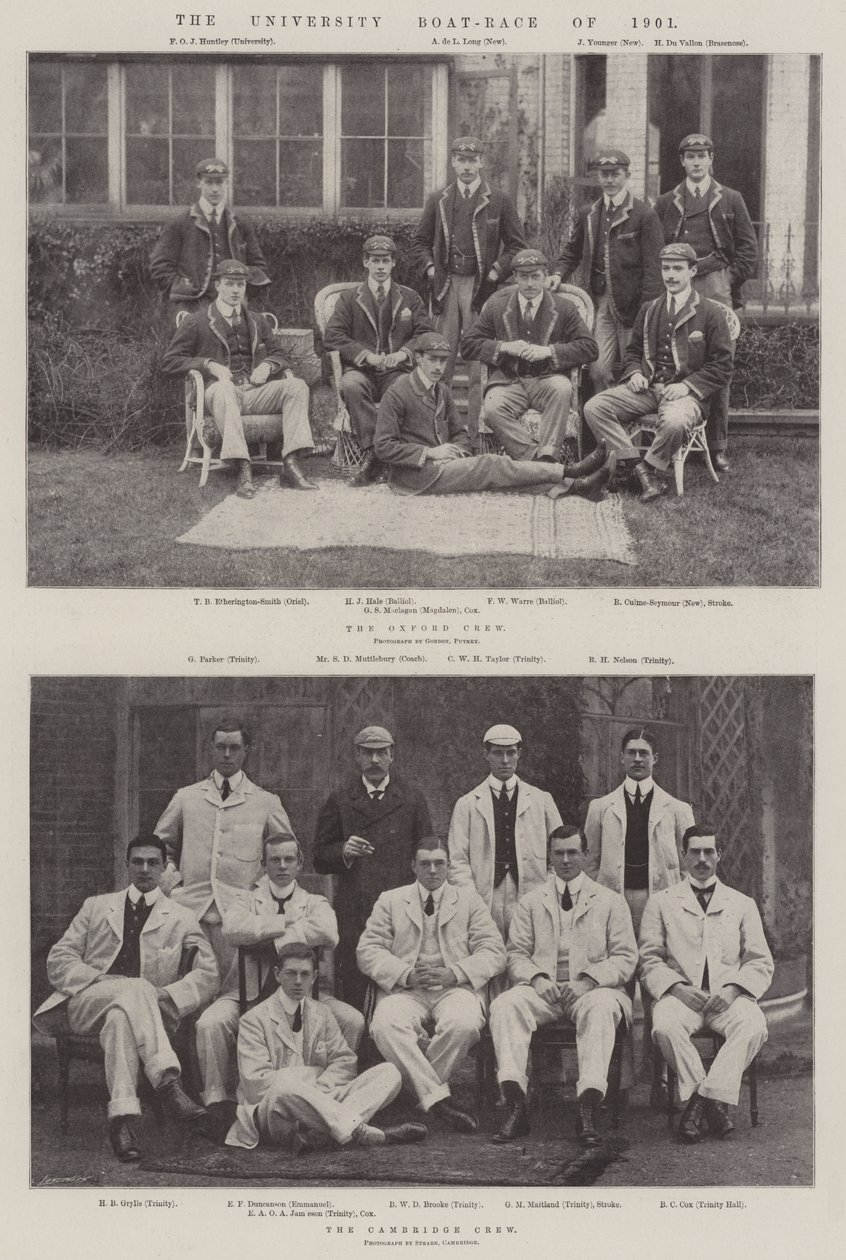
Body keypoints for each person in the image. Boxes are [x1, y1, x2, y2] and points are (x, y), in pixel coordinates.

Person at [33, 836, 218, 1162]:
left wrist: (166, 993)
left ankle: (121, 1122)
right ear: (127, 865)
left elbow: (207, 974)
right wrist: (101, 978)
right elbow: (59, 959)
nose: (144, 869)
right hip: (86, 1002)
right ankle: (168, 1081)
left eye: (152, 863)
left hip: (140, 1013)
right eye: (138, 862)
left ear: (163, 868)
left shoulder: (180, 916)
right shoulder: (97, 905)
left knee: (121, 1017)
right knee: (135, 988)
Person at [195, 833, 365, 1140]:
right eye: (275, 859)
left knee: (352, 1019)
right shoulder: (244, 899)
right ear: (263, 864)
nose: (282, 866)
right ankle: (217, 1104)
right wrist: (286, 926)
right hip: (245, 992)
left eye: (289, 859)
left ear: (300, 864)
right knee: (210, 1023)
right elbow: (233, 928)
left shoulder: (314, 901)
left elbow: (328, 931)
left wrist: (266, 937)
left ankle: (328, 1098)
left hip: (307, 993)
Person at [489, 826, 636, 1145]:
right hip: (545, 991)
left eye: (573, 852)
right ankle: (516, 1104)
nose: (566, 860)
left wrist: (589, 980)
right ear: (549, 857)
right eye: (559, 853)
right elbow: (516, 954)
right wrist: (537, 978)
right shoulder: (530, 902)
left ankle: (588, 1107)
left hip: (593, 991)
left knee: (600, 1010)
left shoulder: (611, 902)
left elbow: (625, 958)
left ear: (584, 854)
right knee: (505, 1005)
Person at [357, 837, 506, 1133]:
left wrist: (455, 972)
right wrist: (406, 973)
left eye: (439, 863)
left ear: (449, 866)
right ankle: (438, 1101)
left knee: (463, 1025)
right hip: (406, 989)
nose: (433, 870)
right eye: (425, 863)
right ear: (413, 866)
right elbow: (367, 950)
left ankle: (416, 1094)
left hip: (455, 989)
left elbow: (495, 952)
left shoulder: (469, 900)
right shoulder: (391, 900)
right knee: (384, 1025)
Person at [639, 824, 773, 1143]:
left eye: (709, 851)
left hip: (728, 999)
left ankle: (700, 1101)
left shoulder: (741, 903)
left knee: (754, 1025)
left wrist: (733, 990)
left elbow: (760, 960)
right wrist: (677, 989)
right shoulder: (661, 902)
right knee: (664, 1027)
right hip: (681, 997)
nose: (702, 859)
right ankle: (713, 1103)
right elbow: (649, 959)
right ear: (683, 856)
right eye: (695, 852)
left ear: (719, 855)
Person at [225, 943, 427, 1151]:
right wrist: (311, 1081)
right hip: (276, 1110)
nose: (297, 981)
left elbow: (344, 1062)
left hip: (323, 1098)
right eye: (290, 973)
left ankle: (318, 1133)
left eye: (304, 974)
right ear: (277, 974)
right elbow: (256, 1084)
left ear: (314, 977)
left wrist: (319, 1091)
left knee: (390, 1073)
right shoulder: (253, 1020)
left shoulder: (322, 1013)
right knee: (283, 1084)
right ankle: (359, 1130)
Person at [374, 333, 616, 498]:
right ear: (417, 359)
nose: (438, 367)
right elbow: (383, 446)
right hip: (415, 477)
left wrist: (455, 452)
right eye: (432, 360)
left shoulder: (442, 390)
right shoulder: (398, 391)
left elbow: (460, 434)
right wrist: (430, 453)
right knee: (491, 464)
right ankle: (570, 471)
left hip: (446, 466)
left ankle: (578, 486)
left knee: (503, 475)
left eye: (442, 361)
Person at [583, 243, 734, 502]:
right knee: (594, 407)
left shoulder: (711, 312)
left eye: (678, 268)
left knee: (676, 421)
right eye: (666, 269)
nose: (671, 275)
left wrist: (687, 386)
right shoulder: (650, 309)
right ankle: (639, 470)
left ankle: (649, 468)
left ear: (693, 271)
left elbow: (723, 365)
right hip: (648, 389)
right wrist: (634, 374)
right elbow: (631, 354)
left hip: (686, 396)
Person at [161, 259, 324, 497]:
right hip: (218, 392)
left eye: (241, 284)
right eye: (230, 284)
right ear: (217, 285)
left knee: (297, 386)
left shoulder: (257, 321)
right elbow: (169, 362)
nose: (236, 290)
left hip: (254, 392)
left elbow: (281, 355)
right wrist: (209, 364)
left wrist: (268, 366)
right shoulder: (196, 321)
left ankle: (290, 464)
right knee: (225, 388)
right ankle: (243, 468)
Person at [155, 716, 294, 986]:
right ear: (211, 749)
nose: (227, 754)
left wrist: (259, 892)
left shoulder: (266, 802)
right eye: (220, 747)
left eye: (234, 748)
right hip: (190, 911)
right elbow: (159, 848)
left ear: (246, 750)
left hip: (238, 917)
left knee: (235, 994)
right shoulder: (186, 797)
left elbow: (285, 856)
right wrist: (174, 885)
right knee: (189, 988)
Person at [655, 134, 758, 472]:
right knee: (678, 360)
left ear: (711, 159)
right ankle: (676, 437)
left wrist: (727, 279)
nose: (696, 162)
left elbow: (748, 251)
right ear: (682, 161)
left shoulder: (730, 198)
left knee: (719, 367)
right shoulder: (667, 201)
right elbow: (656, 248)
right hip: (678, 286)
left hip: (715, 283)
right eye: (690, 156)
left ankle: (717, 446)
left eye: (702, 156)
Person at [313, 725, 432, 1013]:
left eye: (381, 753)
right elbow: (319, 857)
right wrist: (343, 851)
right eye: (368, 753)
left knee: (400, 980)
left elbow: (427, 851)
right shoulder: (340, 798)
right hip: (355, 908)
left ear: (392, 756)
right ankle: (358, 1054)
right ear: (357, 757)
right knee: (354, 982)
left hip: (402, 908)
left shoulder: (412, 798)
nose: (375, 760)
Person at [460, 249, 599, 462]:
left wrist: (549, 351)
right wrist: (505, 346)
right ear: (515, 277)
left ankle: (548, 454)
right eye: (524, 277)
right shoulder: (497, 305)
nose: (530, 283)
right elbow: (468, 345)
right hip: (509, 381)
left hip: (547, 380)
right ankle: (538, 460)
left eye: (536, 276)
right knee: (491, 408)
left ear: (545, 276)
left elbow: (590, 348)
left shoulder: (564, 307)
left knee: (562, 389)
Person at [547, 149, 664, 392]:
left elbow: (655, 268)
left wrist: (648, 309)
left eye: (615, 174)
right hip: (602, 306)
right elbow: (572, 252)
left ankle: (635, 428)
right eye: (604, 174)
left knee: (638, 371)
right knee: (598, 370)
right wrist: (558, 273)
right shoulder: (588, 213)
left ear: (627, 175)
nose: (609, 180)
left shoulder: (645, 215)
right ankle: (607, 421)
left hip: (635, 307)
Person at [322, 234, 435, 486]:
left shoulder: (409, 297)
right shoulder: (350, 298)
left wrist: (404, 353)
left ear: (394, 263)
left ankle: (395, 453)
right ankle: (373, 454)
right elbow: (332, 336)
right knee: (351, 385)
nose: (381, 266)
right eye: (375, 260)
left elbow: (425, 333)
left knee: (406, 387)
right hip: (361, 370)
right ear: (366, 262)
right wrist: (366, 355)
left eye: (386, 260)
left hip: (396, 371)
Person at [411, 136, 526, 380]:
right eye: (461, 160)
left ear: (481, 162)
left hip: (480, 286)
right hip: (447, 284)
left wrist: (496, 272)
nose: (466, 166)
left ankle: (477, 418)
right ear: (453, 161)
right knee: (440, 355)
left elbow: (517, 246)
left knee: (480, 359)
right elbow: (419, 243)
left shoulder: (499, 200)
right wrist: (431, 269)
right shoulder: (438, 199)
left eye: (472, 161)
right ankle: (439, 416)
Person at [447, 723, 563, 944]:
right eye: (498, 753)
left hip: (531, 891)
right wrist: (471, 900)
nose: (505, 760)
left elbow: (560, 850)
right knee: (487, 953)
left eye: (511, 753)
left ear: (519, 754)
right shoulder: (468, 804)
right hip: (485, 894)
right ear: (486, 754)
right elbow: (457, 859)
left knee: (527, 952)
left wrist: (549, 888)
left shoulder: (541, 800)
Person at [583, 727, 695, 941]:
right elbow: (590, 862)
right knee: (617, 956)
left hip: (659, 896)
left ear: (655, 759)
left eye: (643, 753)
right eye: (631, 753)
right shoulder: (601, 807)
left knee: (655, 958)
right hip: (614, 896)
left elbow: (686, 865)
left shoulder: (677, 809)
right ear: (621, 758)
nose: (637, 759)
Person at [149, 157, 270, 318]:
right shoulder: (180, 222)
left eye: (219, 182)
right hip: (193, 307)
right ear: (199, 183)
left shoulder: (240, 223)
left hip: (234, 308)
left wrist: (239, 291)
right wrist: (185, 291)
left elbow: (258, 266)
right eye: (209, 182)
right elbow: (160, 267)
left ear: (226, 183)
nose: (214, 189)